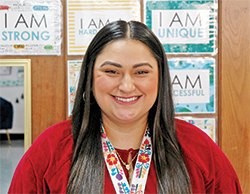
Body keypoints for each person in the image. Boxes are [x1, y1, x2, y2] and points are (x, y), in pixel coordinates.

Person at [8, 20, 242, 194]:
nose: (127, 86)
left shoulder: (198, 149)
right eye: (111, 71)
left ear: (160, 78)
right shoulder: (50, 151)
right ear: (90, 77)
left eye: (141, 72)